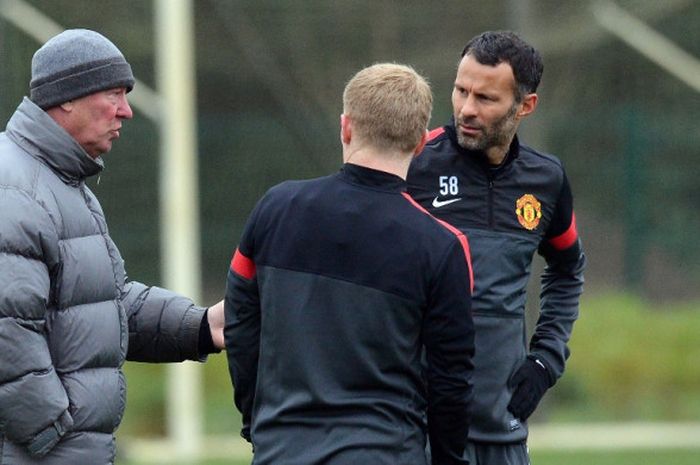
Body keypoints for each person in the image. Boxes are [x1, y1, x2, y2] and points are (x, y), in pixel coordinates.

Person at [225, 63, 475, 465]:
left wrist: (259, 423)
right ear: (419, 145)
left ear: (345, 128)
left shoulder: (274, 208)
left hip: (281, 450)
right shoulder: (443, 246)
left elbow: (240, 327)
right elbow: (451, 384)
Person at [0, 29, 224, 464]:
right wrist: (54, 436)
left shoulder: (61, 182)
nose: (127, 111)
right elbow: (7, 329)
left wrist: (202, 325)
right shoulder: (16, 189)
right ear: (67, 97)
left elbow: (105, 303)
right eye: (115, 93)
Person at [407, 31, 586, 465]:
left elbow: (567, 269)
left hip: (501, 432)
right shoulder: (413, 163)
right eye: (460, 91)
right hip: (416, 430)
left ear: (525, 106)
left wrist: (545, 358)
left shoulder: (545, 180)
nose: (467, 109)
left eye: (486, 98)